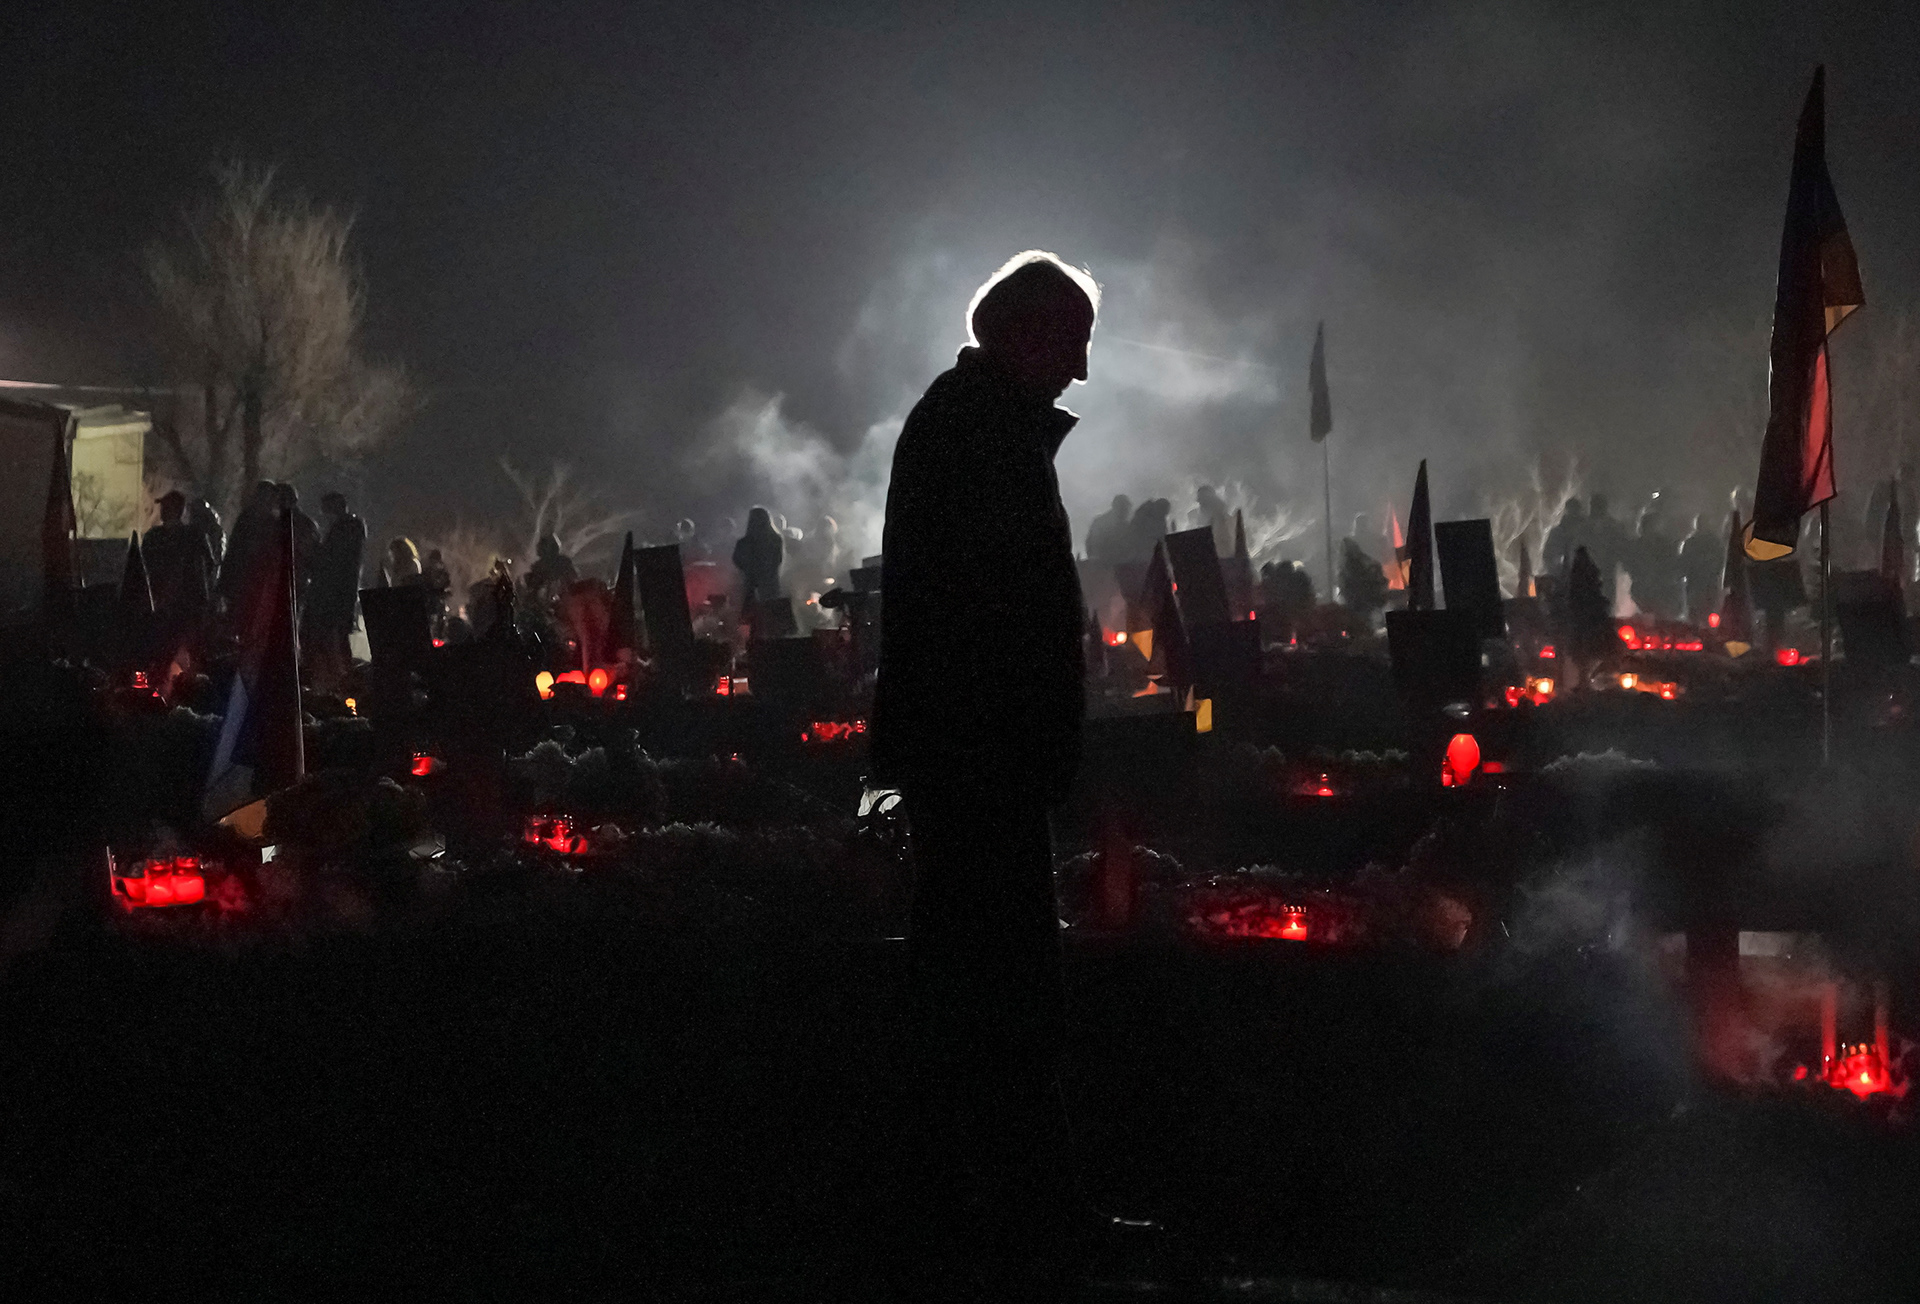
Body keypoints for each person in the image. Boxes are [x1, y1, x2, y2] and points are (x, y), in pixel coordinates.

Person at [873, 250, 1150, 1273]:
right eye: (1073, 343)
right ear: (1028, 332)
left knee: (975, 991)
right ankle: (1020, 1218)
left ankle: (963, 1208)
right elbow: (993, 619)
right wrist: (1029, 739)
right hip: (978, 760)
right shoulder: (978, 433)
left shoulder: (968, 424)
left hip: (972, 756)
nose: (1080, 371)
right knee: (1004, 996)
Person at [304, 492, 366, 686]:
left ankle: (341, 680)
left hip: (333, 594)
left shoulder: (343, 528)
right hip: (343, 593)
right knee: (338, 638)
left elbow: (331, 562)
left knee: (332, 639)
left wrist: (313, 551)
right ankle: (344, 679)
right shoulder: (352, 527)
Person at [732, 507, 785, 607]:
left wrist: (748, 569)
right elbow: (778, 560)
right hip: (770, 583)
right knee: (770, 613)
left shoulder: (743, 542)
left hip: (750, 583)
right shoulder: (776, 539)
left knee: (750, 614)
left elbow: (736, 560)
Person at [524, 532, 577, 598]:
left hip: (566, 599)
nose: (537, 546)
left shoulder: (563, 562)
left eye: (541, 544)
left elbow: (572, 579)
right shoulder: (537, 567)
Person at [1084, 493, 1132, 564]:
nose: (1126, 511)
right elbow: (1091, 545)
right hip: (1101, 565)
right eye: (1123, 508)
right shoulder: (1100, 523)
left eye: (1127, 508)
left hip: (1122, 565)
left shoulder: (1128, 526)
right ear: (1116, 507)